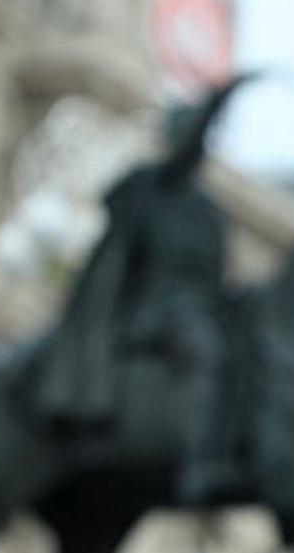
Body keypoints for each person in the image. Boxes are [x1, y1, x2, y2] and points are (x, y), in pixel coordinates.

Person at [28, 77, 251, 504]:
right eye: (187, 136)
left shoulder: (208, 213)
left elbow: (221, 278)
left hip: (195, 310)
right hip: (149, 312)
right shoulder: (145, 188)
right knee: (207, 348)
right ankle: (200, 463)